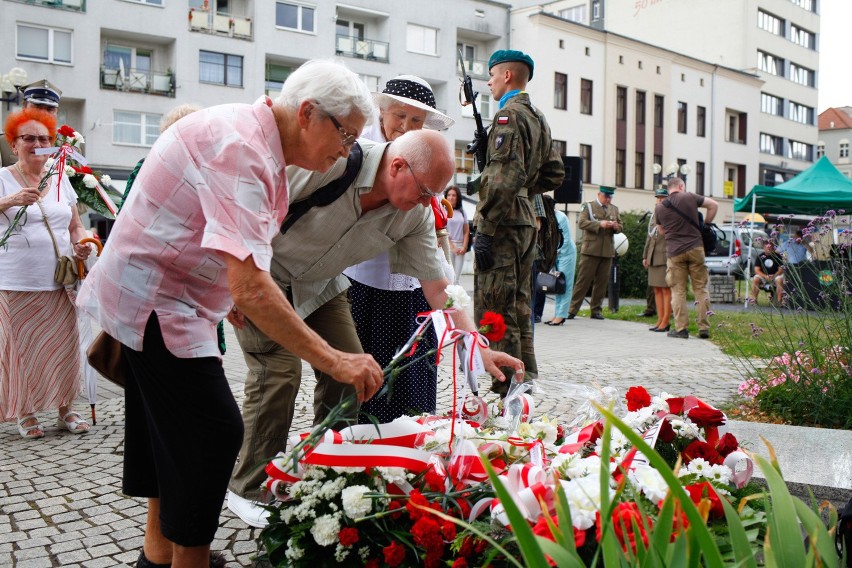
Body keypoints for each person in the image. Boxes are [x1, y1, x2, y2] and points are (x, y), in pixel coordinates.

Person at [76, 59, 384, 568]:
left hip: (163, 293)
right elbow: (252, 287)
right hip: (156, 299)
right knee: (212, 433)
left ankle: (158, 554)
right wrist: (334, 360)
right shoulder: (243, 147)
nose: (345, 151)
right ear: (309, 113)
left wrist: (230, 291)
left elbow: (223, 244)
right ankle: (187, 560)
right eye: (346, 136)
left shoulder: (253, 136)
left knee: (168, 428)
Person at [227, 129, 525, 527]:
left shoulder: (416, 212)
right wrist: (229, 277)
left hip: (321, 285)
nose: (429, 204)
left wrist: (477, 345)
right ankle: (249, 488)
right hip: (262, 274)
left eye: (436, 195)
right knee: (278, 373)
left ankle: (322, 470)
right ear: (397, 166)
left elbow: (439, 286)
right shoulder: (330, 160)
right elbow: (243, 205)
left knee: (353, 373)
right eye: (424, 192)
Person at [341, 76, 454, 425]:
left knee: (412, 379)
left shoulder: (427, 152)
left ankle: (412, 446)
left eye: (416, 120)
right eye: (399, 116)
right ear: (382, 111)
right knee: (364, 378)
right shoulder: (357, 148)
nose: (405, 127)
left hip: (416, 282)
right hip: (362, 282)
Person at [473, 49, 565, 395]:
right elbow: (554, 172)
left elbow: (501, 178)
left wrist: (485, 228)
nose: (490, 81)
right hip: (524, 219)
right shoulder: (537, 117)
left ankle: (506, 386)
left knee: (498, 305)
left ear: (507, 76)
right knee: (519, 303)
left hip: (504, 223)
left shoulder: (508, 117)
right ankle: (524, 379)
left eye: (493, 74)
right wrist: (526, 189)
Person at [1, 107, 92, 438]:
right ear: (14, 144)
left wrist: (83, 244)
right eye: (29, 138)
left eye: (44, 138)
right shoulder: (2, 178)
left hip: (59, 279)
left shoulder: (60, 177)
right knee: (22, 350)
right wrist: (9, 201)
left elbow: (75, 225)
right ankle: (26, 413)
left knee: (62, 346)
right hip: (16, 280)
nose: (37, 143)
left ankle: (66, 408)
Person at [655, 176, 719, 339]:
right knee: (700, 288)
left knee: (678, 291)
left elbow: (661, 231)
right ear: (681, 186)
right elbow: (713, 205)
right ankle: (703, 327)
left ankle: (681, 329)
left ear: (668, 189)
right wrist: (707, 224)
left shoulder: (660, 207)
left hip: (675, 252)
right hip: (696, 248)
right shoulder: (689, 197)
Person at [566, 186, 622, 320]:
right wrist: (599, 224)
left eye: (610, 197)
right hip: (590, 250)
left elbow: (621, 226)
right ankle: (572, 310)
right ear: (599, 194)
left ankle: (596, 310)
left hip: (607, 251)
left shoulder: (614, 209)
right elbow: (582, 223)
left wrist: (616, 226)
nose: (608, 199)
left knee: (601, 283)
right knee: (583, 282)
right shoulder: (588, 206)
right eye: (606, 196)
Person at [543, 201, 577, 326]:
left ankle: (561, 316)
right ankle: (557, 315)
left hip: (566, 254)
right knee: (557, 285)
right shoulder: (547, 218)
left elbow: (566, 240)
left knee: (565, 284)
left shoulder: (561, 217)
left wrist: (555, 252)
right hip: (555, 254)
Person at [643, 188, 672, 332]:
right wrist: (645, 256)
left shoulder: (671, 214)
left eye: (663, 197)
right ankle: (660, 319)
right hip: (653, 256)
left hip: (664, 256)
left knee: (666, 290)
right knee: (656, 289)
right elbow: (649, 236)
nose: (660, 200)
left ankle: (666, 321)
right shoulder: (654, 215)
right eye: (658, 197)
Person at [444, 185, 469, 284]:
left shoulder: (462, 212)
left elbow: (466, 231)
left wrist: (464, 247)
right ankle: (448, 298)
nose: (451, 197)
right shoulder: (443, 211)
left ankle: (455, 299)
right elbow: (443, 231)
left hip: (460, 246)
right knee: (449, 277)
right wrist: (452, 247)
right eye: (449, 195)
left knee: (457, 278)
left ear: (458, 197)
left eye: (454, 195)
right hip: (448, 246)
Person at [751, 240, 785, 304]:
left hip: (775, 276)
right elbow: (756, 270)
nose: (769, 249)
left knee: (780, 280)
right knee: (756, 279)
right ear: (764, 247)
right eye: (767, 247)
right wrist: (765, 276)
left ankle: (779, 301)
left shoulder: (777, 256)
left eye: (770, 247)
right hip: (763, 276)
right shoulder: (760, 256)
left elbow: (781, 269)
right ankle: (754, 300)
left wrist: (774, 276)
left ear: (773, 247)